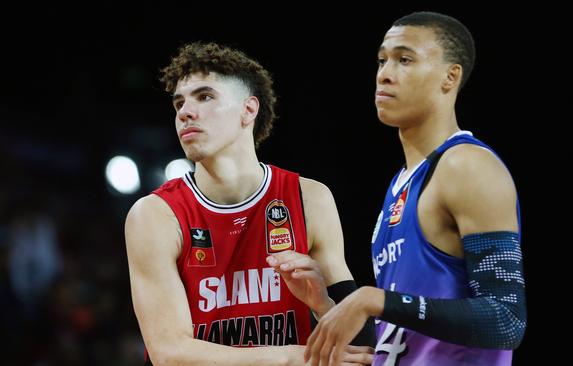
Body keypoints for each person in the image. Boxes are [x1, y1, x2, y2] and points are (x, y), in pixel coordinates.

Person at [125, 42, 373, 365]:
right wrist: (293, 359)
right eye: (179, 103)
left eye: (204, 97)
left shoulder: (309, 198)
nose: (185, 112)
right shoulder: (155, 214)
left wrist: (323, 304)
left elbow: (363, 349)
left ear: (248, 110)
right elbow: (170, 355)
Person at [304, 11, 527, 366]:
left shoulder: (466, 166)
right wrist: (326, 305)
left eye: (404, 60)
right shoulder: (400, 184)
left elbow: (505, 321)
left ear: (449, 77)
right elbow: (404, 338)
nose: (385, 74)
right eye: (381, 60)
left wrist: (374, 300)